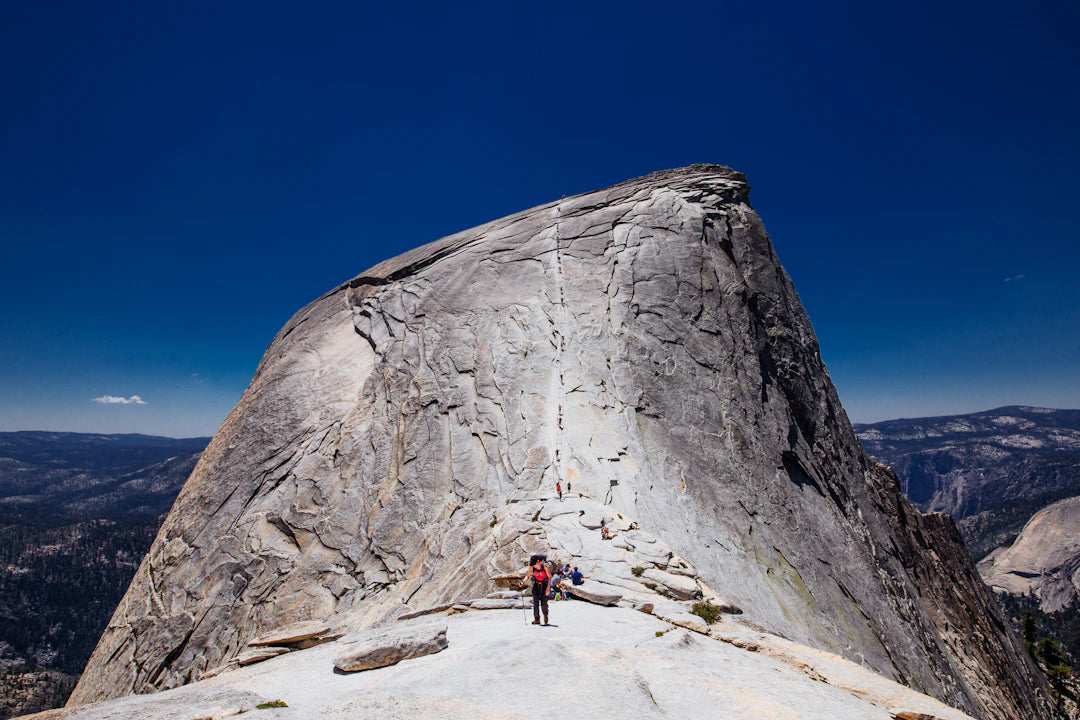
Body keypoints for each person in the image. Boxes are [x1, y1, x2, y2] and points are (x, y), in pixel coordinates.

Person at [524, 555, 551, 625]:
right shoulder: (532, 567)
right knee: (535, 603)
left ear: (538, 561)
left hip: (544, 586)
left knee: (544, 603)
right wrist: (522, 582)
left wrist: (548, 588)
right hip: (536, 585)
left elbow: (550, 577)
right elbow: (528, 576)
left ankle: (545, 615)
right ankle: (537, 619)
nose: (534, 566)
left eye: (534, 564)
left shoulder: (544, 566)